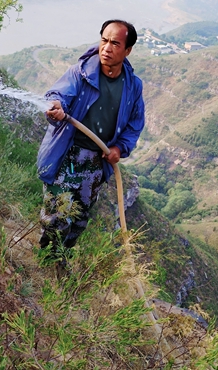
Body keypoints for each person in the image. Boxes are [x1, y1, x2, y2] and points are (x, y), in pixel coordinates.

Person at [36, 19, 145, 255]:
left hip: (97, 162)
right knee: (56, 216)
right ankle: (45, 260)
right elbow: (59, 94)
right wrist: (56, 105)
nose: (106, 48)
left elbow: (135, 125)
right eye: (104, 40)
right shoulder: (80, 72)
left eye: (115, 43)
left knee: (79, 218)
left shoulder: (133, 86)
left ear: (127, 50)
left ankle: (60, 260)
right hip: (67, 155)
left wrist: (119, 148)